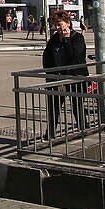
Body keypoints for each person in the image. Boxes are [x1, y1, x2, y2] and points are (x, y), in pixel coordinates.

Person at [41, 9, 88, 139]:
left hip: (74, 78)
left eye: (60, 24)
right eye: (56, 24)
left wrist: (67, 40)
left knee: (77, 106)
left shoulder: (77, 38)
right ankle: (50, 134)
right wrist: (49, 74)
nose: (58, 27)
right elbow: (47, 57)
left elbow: (73, 57)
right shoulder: (54, 39)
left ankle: (83, 129)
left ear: (68, 23)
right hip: (57, 78)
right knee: (54, 107)